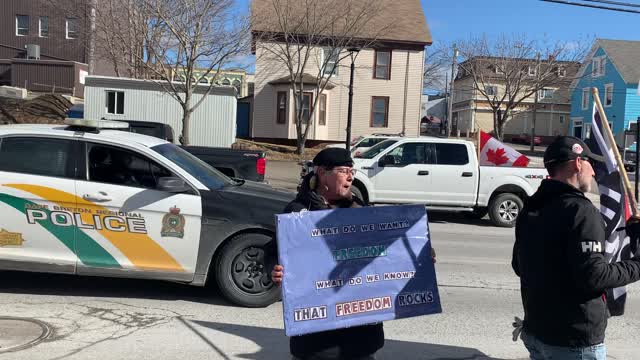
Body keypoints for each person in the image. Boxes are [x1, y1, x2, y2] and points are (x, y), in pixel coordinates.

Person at [512, 136, 640, 360]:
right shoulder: (581, 210)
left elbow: (519, 264)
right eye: (592, 165)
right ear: (578, 163)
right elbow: (594, 276)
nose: (594, 173)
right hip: (573, 341)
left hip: (537, 331)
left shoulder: (532, 205)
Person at [272, 148, 383, 360]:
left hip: (361, 339)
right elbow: (272, 253)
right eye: (343, 170)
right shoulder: (297, 213)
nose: (350, 176)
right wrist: (275, 270)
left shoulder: (362, 210)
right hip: (316, 342)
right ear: (322, 172)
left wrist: (420, 257)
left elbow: (386, 253)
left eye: (352, 171)